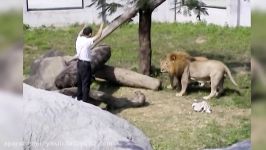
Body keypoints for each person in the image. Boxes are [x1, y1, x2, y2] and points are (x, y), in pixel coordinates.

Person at [74, 23, 104, 102]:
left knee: (80, 82)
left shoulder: (79, 39)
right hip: (85, 64)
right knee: (85, 84)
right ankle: (85, 101)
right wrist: (101, 26)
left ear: (83, 33)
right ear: (90, 34)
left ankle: (79, 98)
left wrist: (84, 27)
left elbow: (79, 33)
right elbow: (98, 36)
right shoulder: (88, 41)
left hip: (79, 63)